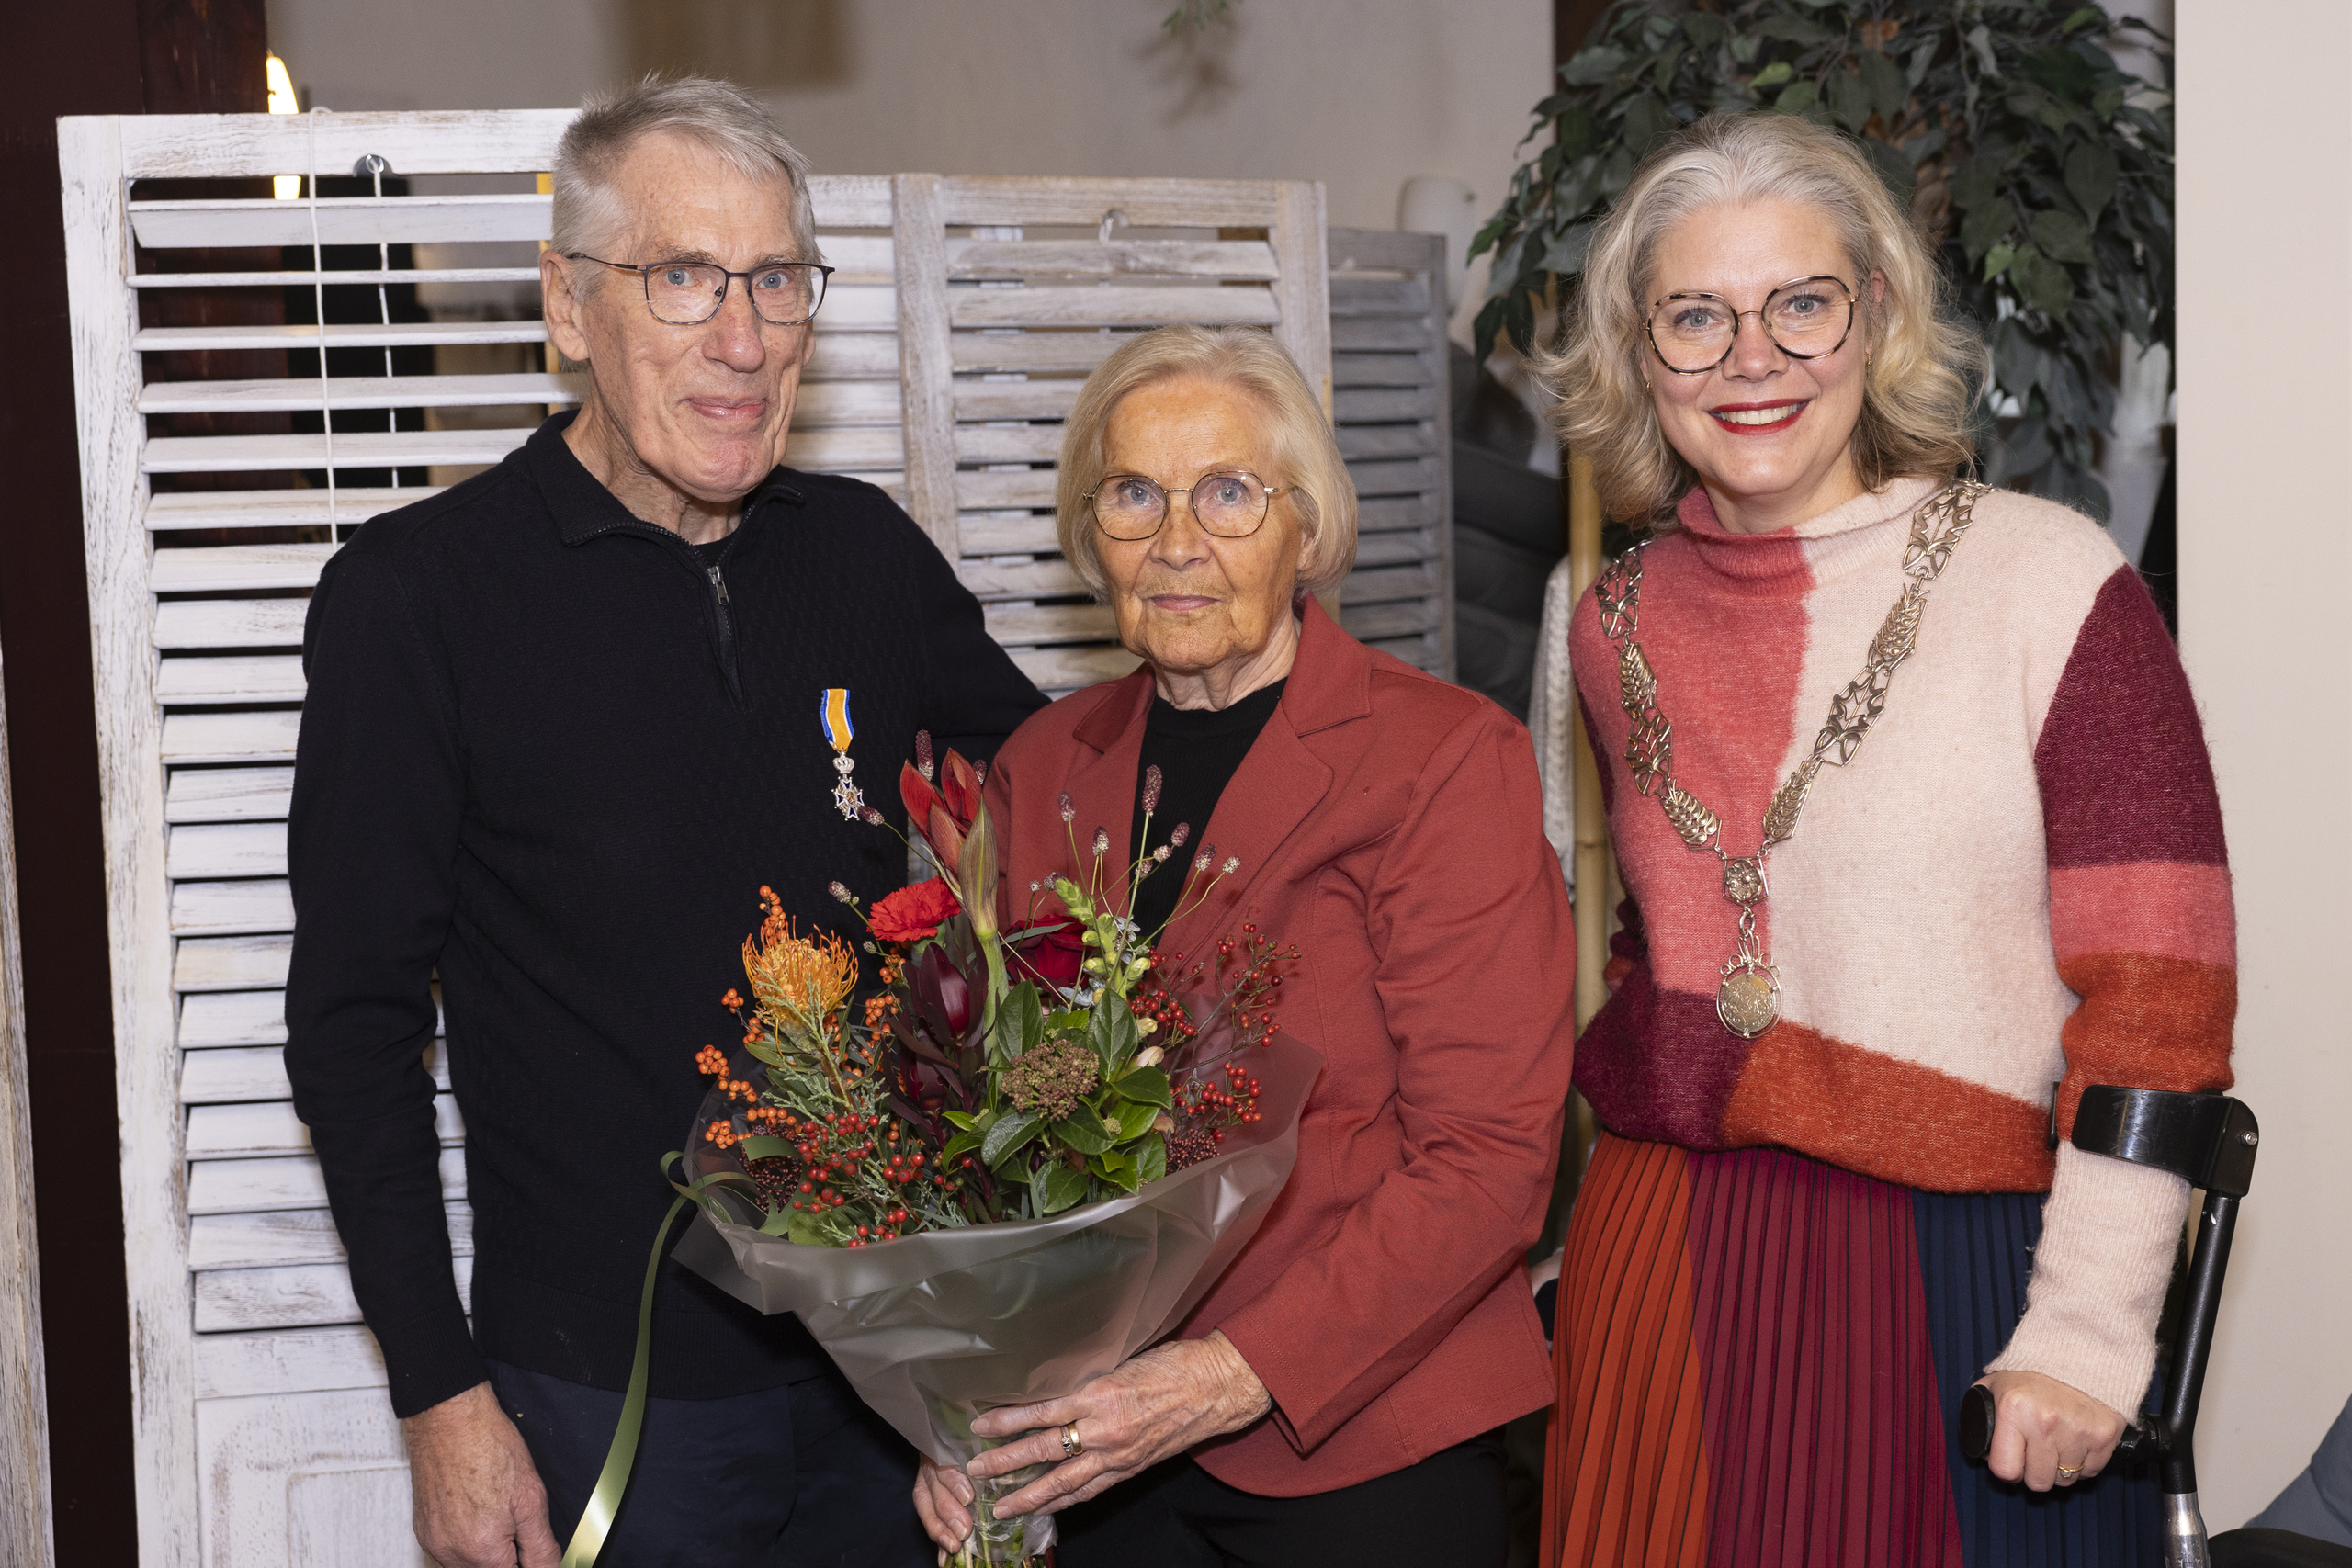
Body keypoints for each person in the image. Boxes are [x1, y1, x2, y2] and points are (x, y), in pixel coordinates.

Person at [284, 76, 1045, 1568]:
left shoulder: (866, 560)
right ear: (568, 307)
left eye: (776, 280)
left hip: (885, 1370)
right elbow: (351, 1028)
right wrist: (441, 1398)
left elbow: (1062, 801)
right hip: (600, 1395)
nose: (744, 340)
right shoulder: (417, 598)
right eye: (684, 278)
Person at [1532, 111, 2234, 1565]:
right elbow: (1652, 947)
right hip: (1663, 1258)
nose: (1752, 357)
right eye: (1694, 317)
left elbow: (2162, 1004)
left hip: (1962, 1266)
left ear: (1878, 318)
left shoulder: (2051, 583)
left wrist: (2090, 1332)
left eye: (1802, 303)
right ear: (1634, 356)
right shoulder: (1603, 623)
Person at [903, 322, 1579, 1564]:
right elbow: (977, 1129)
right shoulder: (1043, 766)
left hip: (1364, 1442)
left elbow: (1488, 1162)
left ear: (1307, 528)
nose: (1176, 541)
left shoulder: (1439, 760)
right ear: (1086, 531)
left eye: (1228, 493)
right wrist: (958, 1411)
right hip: (1097, 1451)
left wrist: (1227, 1374)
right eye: (1132, 495)